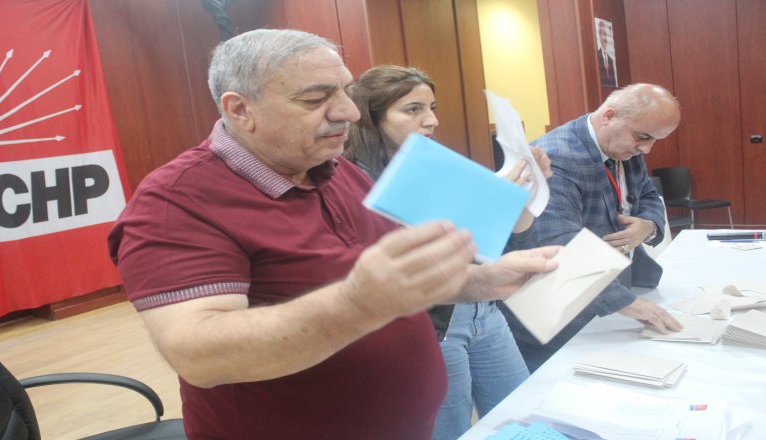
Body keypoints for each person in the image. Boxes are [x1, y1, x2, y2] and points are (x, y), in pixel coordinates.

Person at [108, 29, 561, 439]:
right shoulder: (176, 201)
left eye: (344, 90)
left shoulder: (338, 170)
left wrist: (481, 280)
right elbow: (198, 354)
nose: (348, 111)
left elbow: (395, 284)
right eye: (315, 98)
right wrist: (358, 302)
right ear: (240, 109)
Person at [344, 65, 552, 439]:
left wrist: (524, 192)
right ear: (372, 117)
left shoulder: (436, 163)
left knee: (519, 416)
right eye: (413, 109)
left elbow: (515, 237)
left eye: (432, 108)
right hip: (434, 321)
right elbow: (410, 255)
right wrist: (488, 200)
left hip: (483, 310)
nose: (431, 120)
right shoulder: (354, 179)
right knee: (449, 429)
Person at [500, 83, 684, 373]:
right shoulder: (558, 157)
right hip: (557, 308)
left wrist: (648, 226)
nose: (647, 148)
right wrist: (627, 304)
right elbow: (560, 245)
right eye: (643, 137)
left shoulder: (624, 144)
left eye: (655, 140)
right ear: (609, 116)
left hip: (605, 291)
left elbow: (648, 193)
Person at [597, 20, 618, 88]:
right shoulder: (596, 57)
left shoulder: (611, 60)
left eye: (606, 34)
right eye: (603, 34)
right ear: (599, 36)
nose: (605, 38)